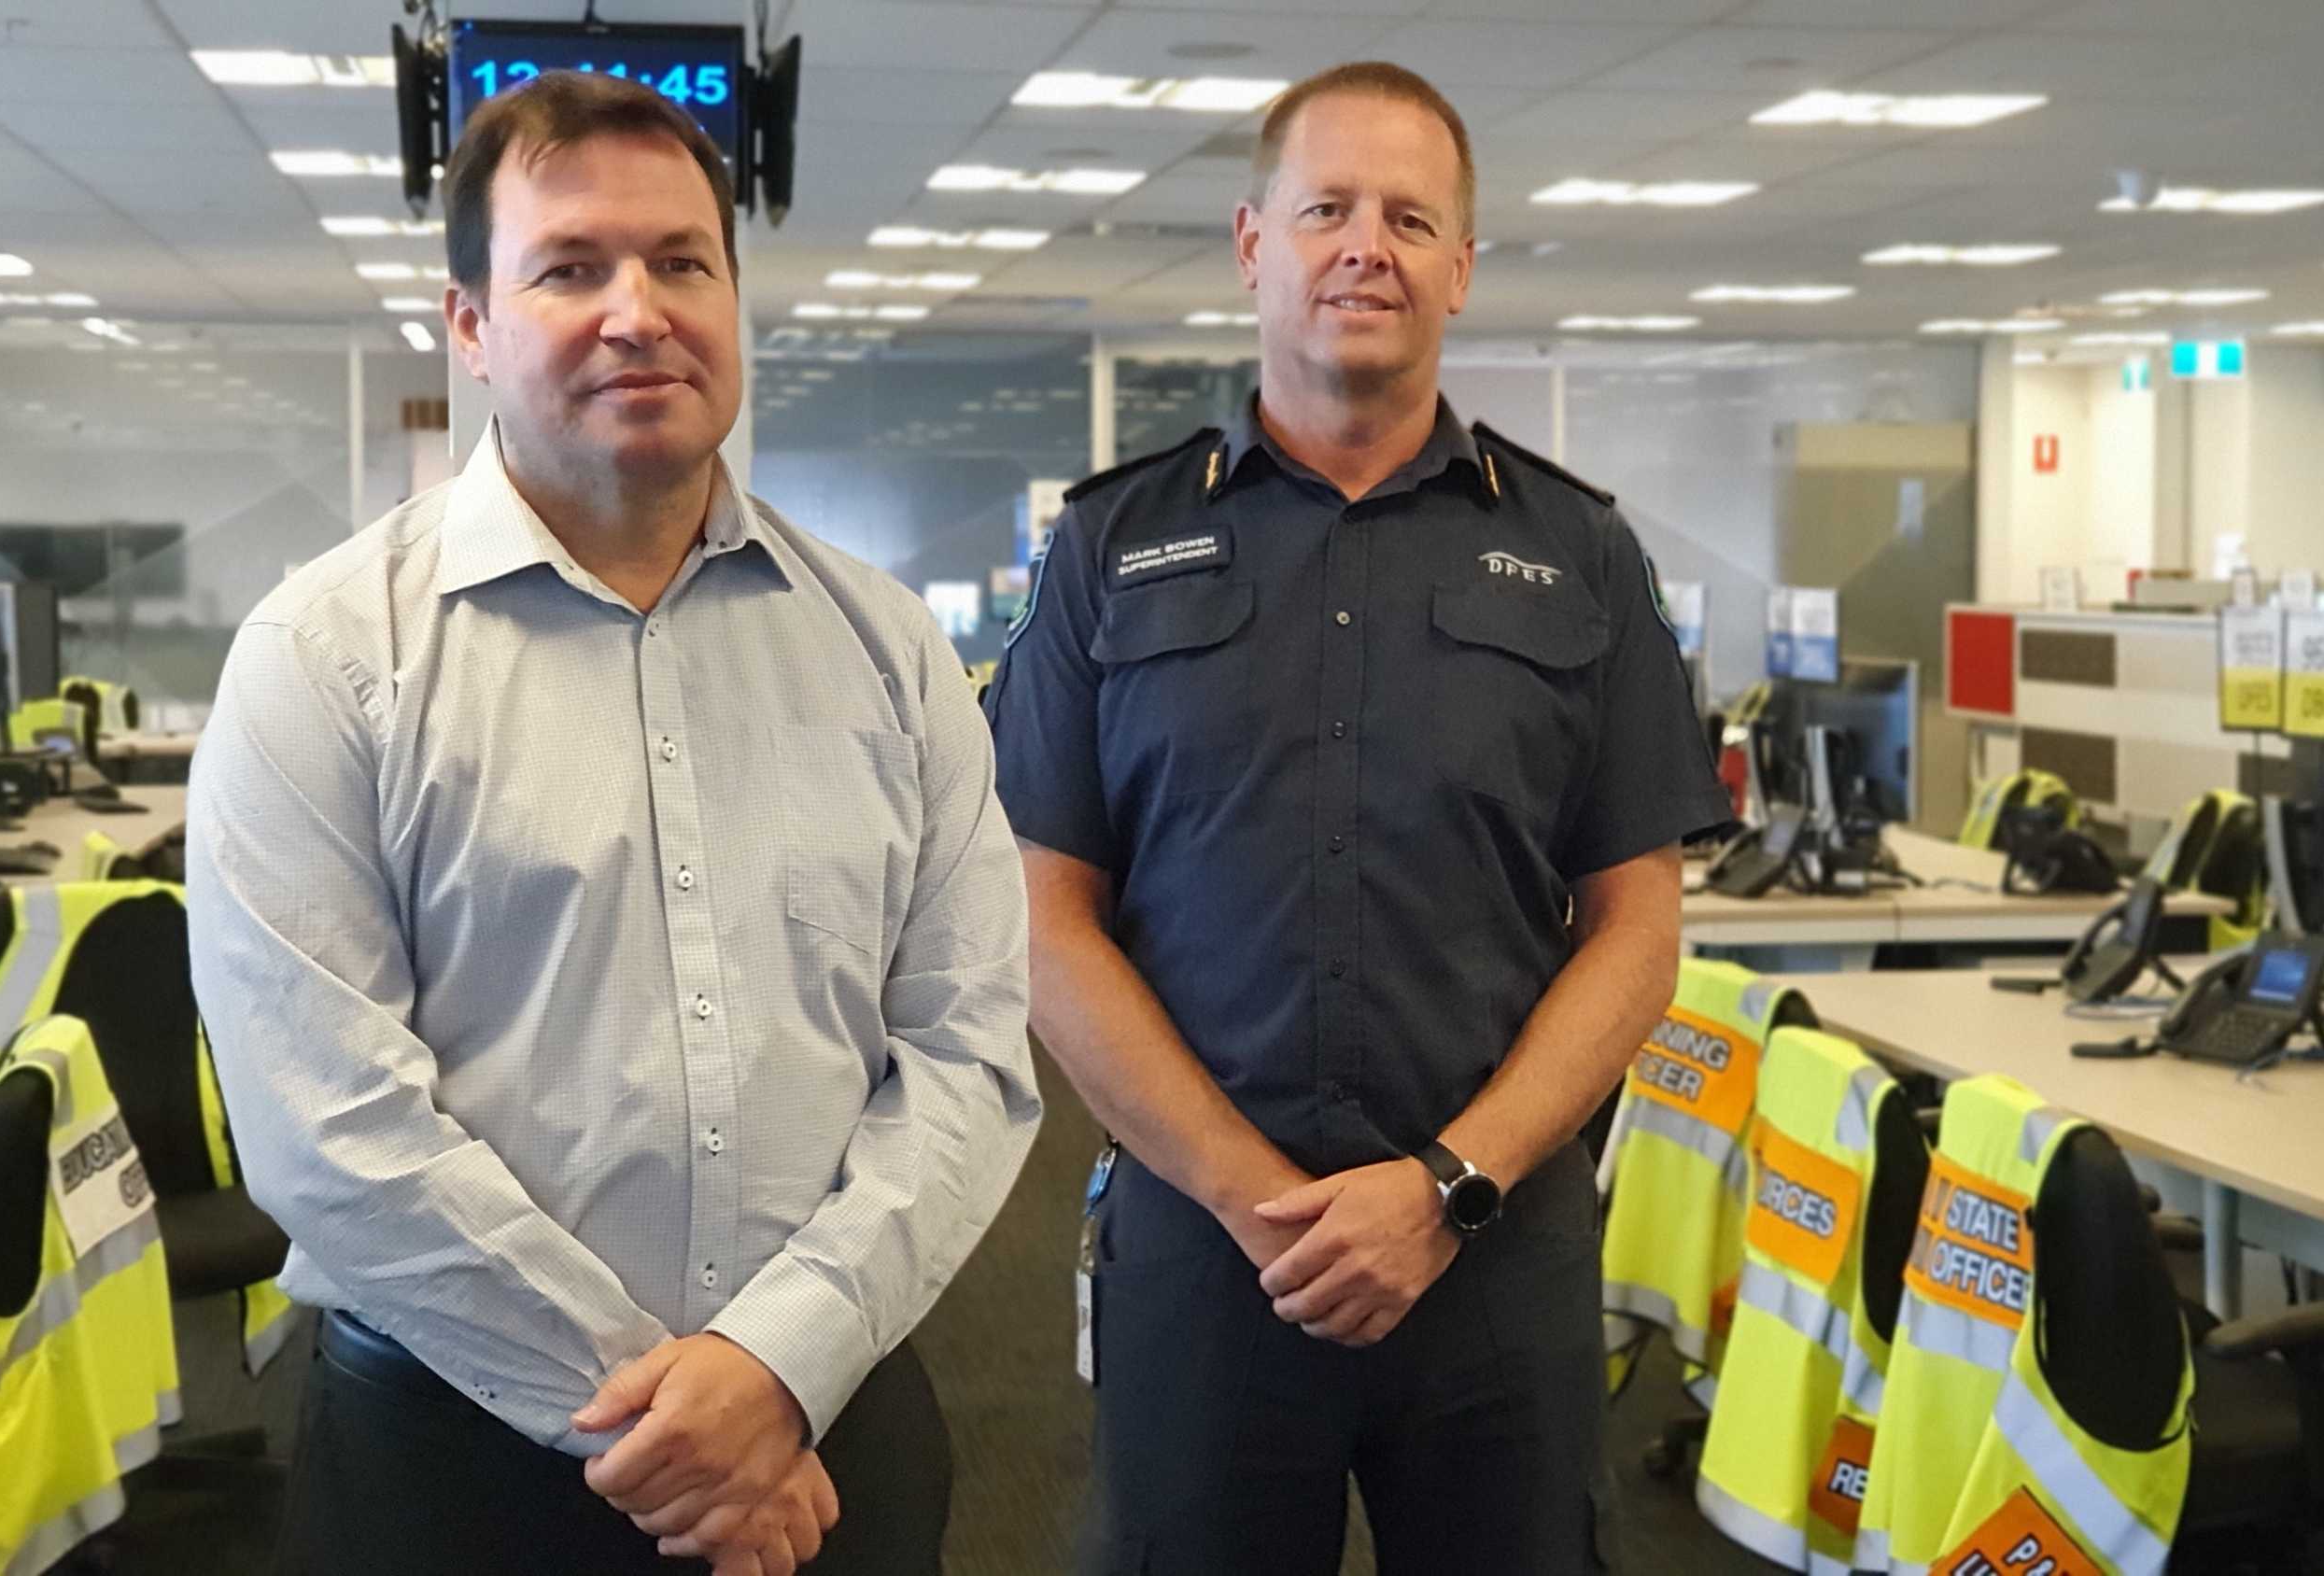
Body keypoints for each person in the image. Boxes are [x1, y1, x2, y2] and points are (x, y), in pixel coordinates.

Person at [185, 72, 1036, 1576]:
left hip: (834, 1434)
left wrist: (779, 1365)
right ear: (471, 327)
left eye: (680, 261)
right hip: (453, 1472)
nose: (636, 309)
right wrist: (679, 1429)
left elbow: (967, 1054)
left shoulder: (888, 650)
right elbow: (326, 1128)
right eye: (569, 268)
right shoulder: (323, 658)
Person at [983, 60, 1733, 1575]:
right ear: (1255, 242)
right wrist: (1249, 1194)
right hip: (1207, 1258)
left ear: (1462, 265)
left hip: (1496, 1255)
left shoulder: (1579, 553)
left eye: (1409, 216)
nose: (1364, 247)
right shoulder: (1110, 548)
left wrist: (1447, 1188)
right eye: (1326, 207)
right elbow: (1037, 915)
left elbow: (1639, 929)